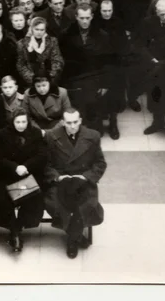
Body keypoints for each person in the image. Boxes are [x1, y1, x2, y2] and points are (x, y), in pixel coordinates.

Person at [44, 108, 107, 259]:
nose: (72, 126)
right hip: (61, 182)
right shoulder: (51, 136)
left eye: (75, 122)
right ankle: (76, 237)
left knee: (84, 206)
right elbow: (46, 164)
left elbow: (100, 163)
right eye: (68, 123)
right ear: (63, 122)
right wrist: (58, 177)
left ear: (80, 121)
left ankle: (72, 238)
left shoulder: (93, 136)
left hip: (83, 181)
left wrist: (86, 177)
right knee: (58, 205)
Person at [0, 107, 48, 252]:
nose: (21, 125)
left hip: (29, 174)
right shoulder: (1, 134)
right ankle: (13, 230)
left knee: (34, 197)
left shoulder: (35, 133)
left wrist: (26, 166)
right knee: (2, 198)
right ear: (12, 121)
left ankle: (17, 229)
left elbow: (41, 155)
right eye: (18, 122)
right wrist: (15, 167)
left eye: (24, 122)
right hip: (8, 174)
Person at [59, 4, 118, 137]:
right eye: (81, 18)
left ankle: (103, 125)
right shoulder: (66, 34)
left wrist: (104, 84)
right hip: (76, 77)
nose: (85, 21)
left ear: (92, 17)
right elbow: (64, 61)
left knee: (102, 98)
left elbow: (108, 61)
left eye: (87, 18)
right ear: (76, 17)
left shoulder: (102, 35)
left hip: (96, 76)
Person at [136, 0, 165, 141]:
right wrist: (151, 59)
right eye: (161, 14)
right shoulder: (147, 23)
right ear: (156, 12)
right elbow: (140, 45)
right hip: (153, 66)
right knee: (154, 97)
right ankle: (157, 123)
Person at [16, 16, 64, 89]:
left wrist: (49, 77)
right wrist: (33, 79)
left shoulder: (52, 41)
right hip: (30, 82)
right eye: (37, 29)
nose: (39, 32)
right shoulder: (22, 44)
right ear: (32, 29)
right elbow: (21, 64)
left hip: (50, 80)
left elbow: (57, 60)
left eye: (42, 30)